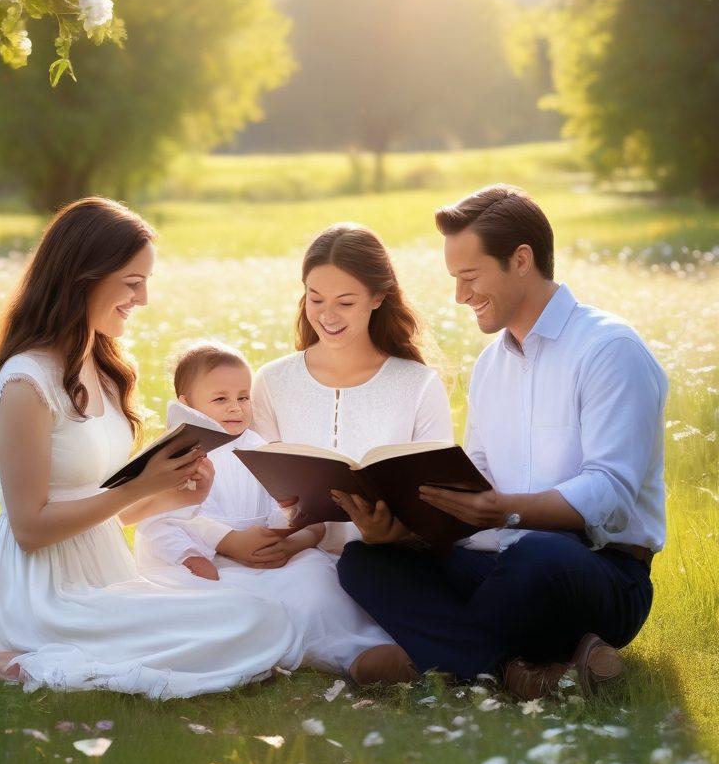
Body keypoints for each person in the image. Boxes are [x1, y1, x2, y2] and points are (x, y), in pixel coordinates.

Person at [336, 185, 667, 696]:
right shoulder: (491, 366)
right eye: (455, 279)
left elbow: (611, 492)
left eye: (469, 277)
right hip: (502, 564)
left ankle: (436, 659)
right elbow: (480, 480)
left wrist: (505, 510)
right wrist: (405, 528)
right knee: (365, 561)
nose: (460, 295)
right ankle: (516, 669)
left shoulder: (609, 349)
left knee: (538, 555)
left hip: (598, 571)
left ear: (521, 260)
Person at [0, 197, 299, 698]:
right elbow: (31, 528)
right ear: (84, 278)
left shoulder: (101, 369)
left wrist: (176, 494)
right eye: (133, 282)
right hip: (41, 591)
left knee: (262, 617)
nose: (143, 299)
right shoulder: (24, 383)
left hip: (103, 572)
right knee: (248, 623)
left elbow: (107, 513)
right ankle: (14, 662)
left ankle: (83, 651)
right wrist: (139, 487)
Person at [250, 222, 454, 684]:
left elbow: (438, 503)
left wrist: (392, 533)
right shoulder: (273, 381)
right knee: (304, 590)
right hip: (299, 557)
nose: (327, 315)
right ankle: (367, 655)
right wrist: (296, 536)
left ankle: (381, 648)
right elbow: (262, 488)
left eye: (345, 302)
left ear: (378, 297)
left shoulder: (417, 384)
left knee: (368, 584)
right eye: (315, 298)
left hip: (392, 557)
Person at [133, 341, 396, 675]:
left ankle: (357, 651)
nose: (236, 408)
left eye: (243, 397)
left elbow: (280, 504)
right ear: (187, 404)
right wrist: (194, 556)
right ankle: (303, 651)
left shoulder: (258, 448)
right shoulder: (174, 457)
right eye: (220, 399)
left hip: (266, 555)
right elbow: (158, 521)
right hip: (207, 562)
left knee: (316, 582)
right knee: (233, 608)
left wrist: (286, 539)